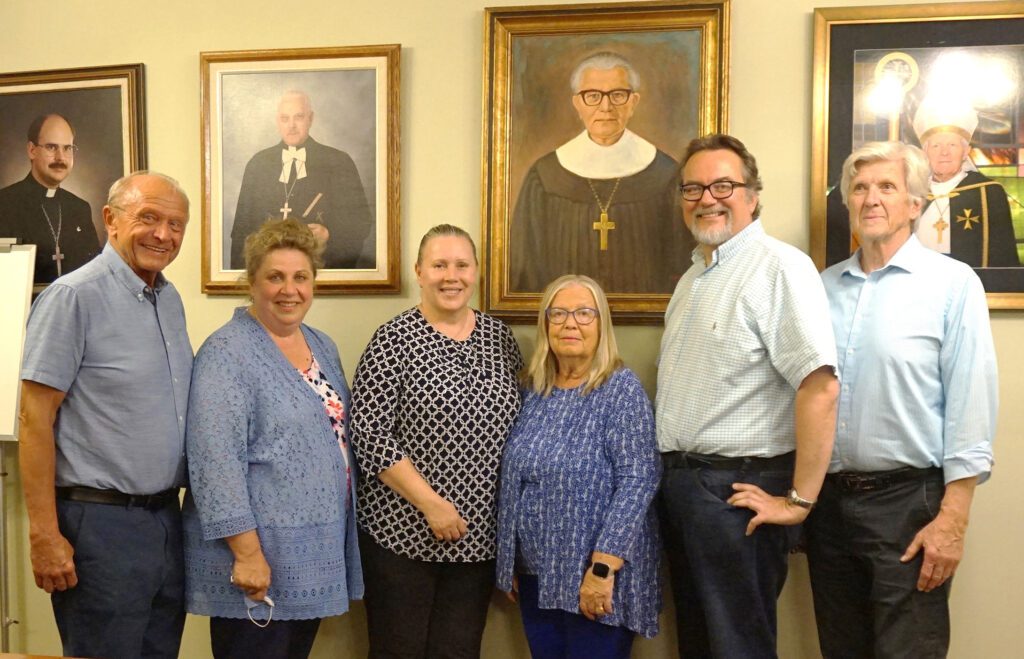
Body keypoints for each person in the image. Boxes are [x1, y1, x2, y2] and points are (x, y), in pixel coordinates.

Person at [809, 140, 998, 658]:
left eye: (887, 187)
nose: (871, 198)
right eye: (860, 187)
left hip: (909, 506)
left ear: (916, 204)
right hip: (828, 507)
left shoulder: (952, 284)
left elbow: (971, 407)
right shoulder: (820, 289)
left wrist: (952, 520)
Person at [656, 134, 839, 658]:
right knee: (699, 644)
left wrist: (799, 501)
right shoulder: (694, 277)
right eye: (693, 187)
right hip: (684, 487)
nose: (706, 198)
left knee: (738, 647)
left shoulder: (777, 267)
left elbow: (820, 385)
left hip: (735, 491)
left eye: (723, 185)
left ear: (753, 195)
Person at [18, 171, 192, 659]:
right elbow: (34, 421)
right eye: (149, 218)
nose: (164, 234)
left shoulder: (169, 298)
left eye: (176, 224)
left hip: (164, 521)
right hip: (99, 525)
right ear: (111, 220)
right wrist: (44, 534)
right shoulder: (74, 297)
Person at [183, 218, 362, 658]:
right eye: (275, 277)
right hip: (256, 560)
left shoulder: (321, 345)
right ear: (252, 282)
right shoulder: (225, 353)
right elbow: (214, 465)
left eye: (301, 277)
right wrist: (247, 555)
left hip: (310, 558)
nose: (289, 290)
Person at [351, 224, 523, 658]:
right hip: (401, 536)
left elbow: (520, 427)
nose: (452, 276)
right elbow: (370, 434)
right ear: (419, 272)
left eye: (462, 265)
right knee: (398, 651)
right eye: (439, 264)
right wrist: (432, 504)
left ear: (477, 272)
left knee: (459, 652)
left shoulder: (500, 338)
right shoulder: (393, 339)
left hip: (478, 541)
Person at [496, 274, 661, 658]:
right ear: (546, 324)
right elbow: (514, 481)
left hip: (595, 577)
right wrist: (508, 563)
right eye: (559, 313)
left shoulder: (620, 390)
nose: (571, 323)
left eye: (584, 313)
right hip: (536, 577)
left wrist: (603, 569)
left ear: (602, 324)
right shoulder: (532, 390)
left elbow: (639, 480)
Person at [509, 52, 694, 294]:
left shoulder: (666, 173)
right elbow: (526, 263)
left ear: (633, 102)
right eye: (593, 96)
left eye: (618, 95)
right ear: (577, 104)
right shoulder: (544, 176)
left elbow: (681, 261)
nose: (605, 107)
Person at [230, 90, 373, 270]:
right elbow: (240, 234)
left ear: (310, 119)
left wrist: (330, 235)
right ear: (277, 121)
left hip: (323, 274)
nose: (291, 126)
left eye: (298, 117)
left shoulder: (338, 162)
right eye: (285, 118)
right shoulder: (257, 164)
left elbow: (361, 224)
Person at [911, 98, 1018, 267]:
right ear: (925, 152)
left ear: (965, 152)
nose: (944, 152)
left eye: (952, 145)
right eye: (936, 146)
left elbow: (1003, 254)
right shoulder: (912, 193)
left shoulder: (989, 193)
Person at [0, 113, 101, 285]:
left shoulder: (80, 208)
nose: (60, 158)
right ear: (32, 150)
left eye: (67, 148)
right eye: (51, 147)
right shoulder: (5, 203)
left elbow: (94, 271)